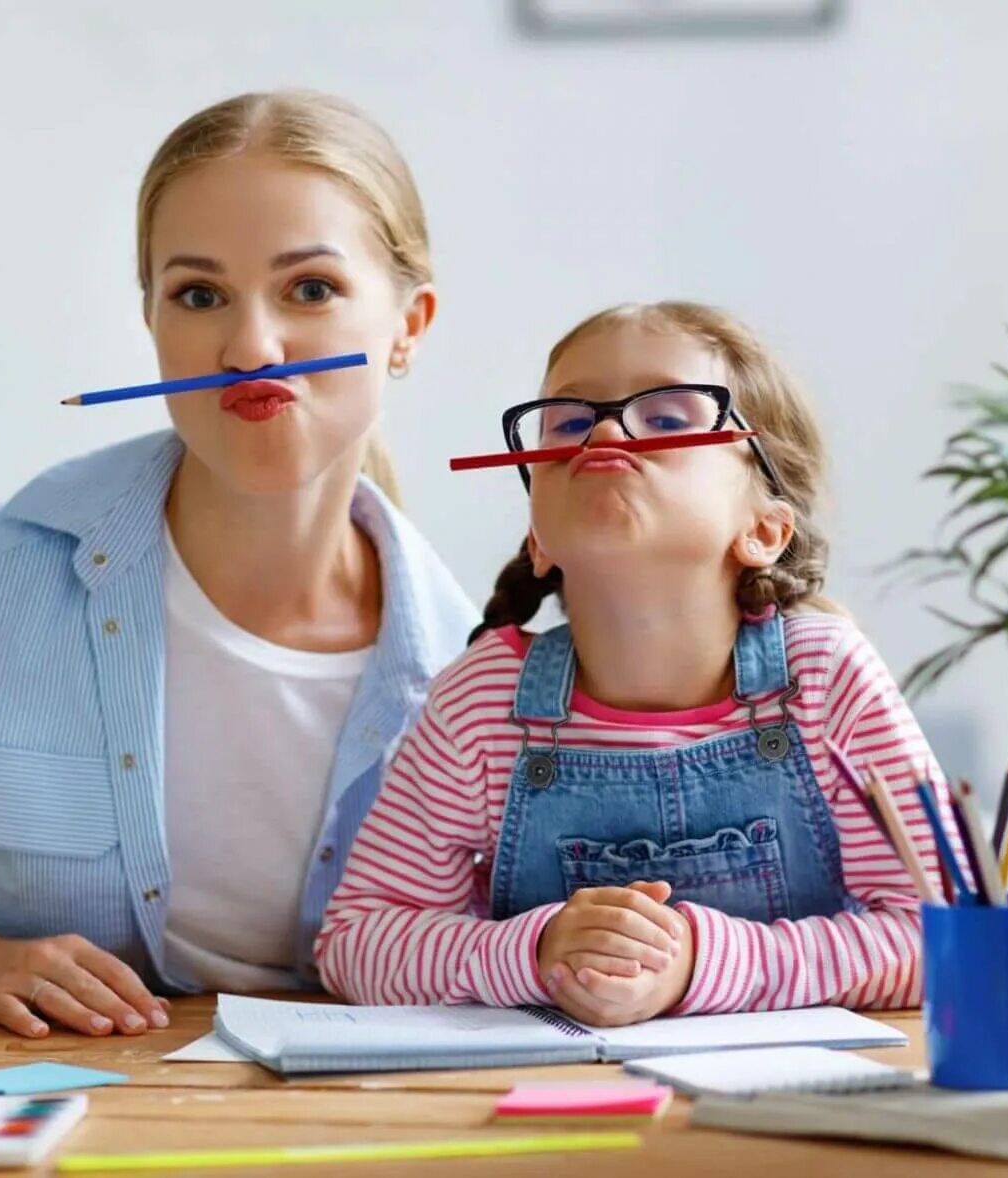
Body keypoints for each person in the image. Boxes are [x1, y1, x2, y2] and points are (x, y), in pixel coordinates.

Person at [0, 90, 476, 1039]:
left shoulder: (476, 679)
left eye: (311, 289)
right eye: (199, 295)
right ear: (153, 322)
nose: (250, 347)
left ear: (410, 324)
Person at [316, 301, 954, 1026]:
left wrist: (700, 963)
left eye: (670, 417)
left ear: (765, 529)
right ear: (538, 541)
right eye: (568, 422)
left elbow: (945, 931)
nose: (609, 431)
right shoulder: (481, 702)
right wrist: (535, 952)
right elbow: (355, 939)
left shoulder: (825, 681)